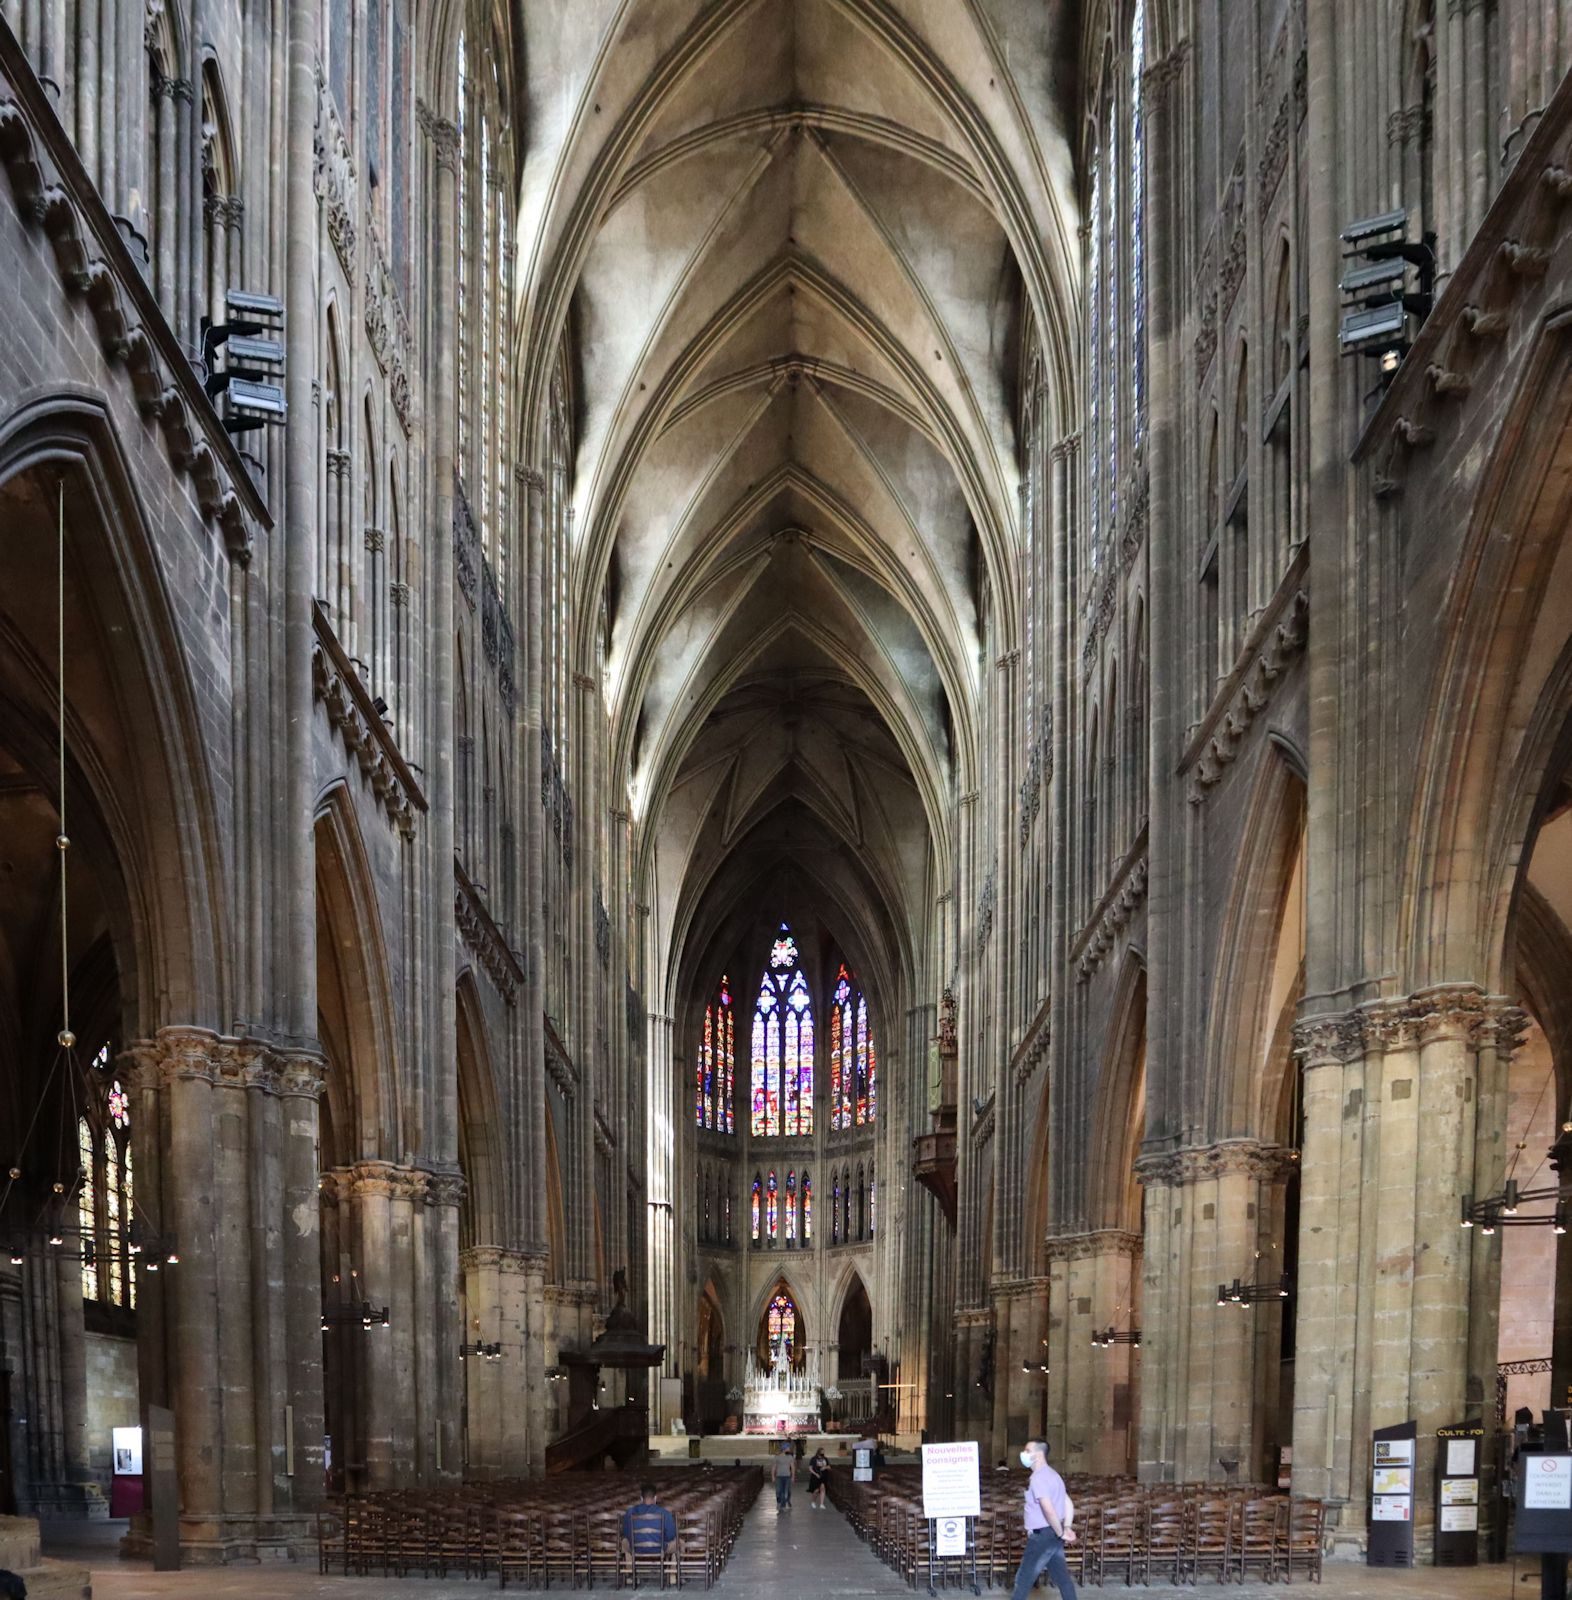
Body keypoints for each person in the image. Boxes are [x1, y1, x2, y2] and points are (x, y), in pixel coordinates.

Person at [1009, 1438, 1077, 1600]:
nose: (1023, 1454)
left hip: (1043, 1536)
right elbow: (1068, 1502)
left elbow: (1048, 1509)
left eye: (1027, 1451)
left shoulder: (1038, 1478)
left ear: (1038, 1455)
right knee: (1062, 1579)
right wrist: (1066, 1526)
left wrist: (1061, 1532)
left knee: (1023, 1579)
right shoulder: (1054, 1475)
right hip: (1053, 1534)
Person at [621, 1480, 678, 1571]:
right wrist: (663, 1541)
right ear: (655, 1498)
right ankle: (672, 1573)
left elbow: (626, 1532)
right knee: (680, 1543)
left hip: (636, 1548)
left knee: (624, 1542)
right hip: (660, 1548)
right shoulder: (664, 1513)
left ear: (641, 1498)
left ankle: (630, 1572)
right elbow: (672, 1534)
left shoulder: (630, 1512)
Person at [773, 1441, 795, 1511]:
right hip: (779, 1476)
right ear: (784, 1448)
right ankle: (780, 1503)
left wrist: (793, 1476)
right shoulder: (777, 1457)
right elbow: (774, 1467)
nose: (789, 1449)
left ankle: (786, 1503)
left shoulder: (790, 1457)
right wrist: (773, 1476)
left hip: (787, 1476)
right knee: (779, 1491)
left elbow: (793, 1467)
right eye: (788, 1447)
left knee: (787, 1491)